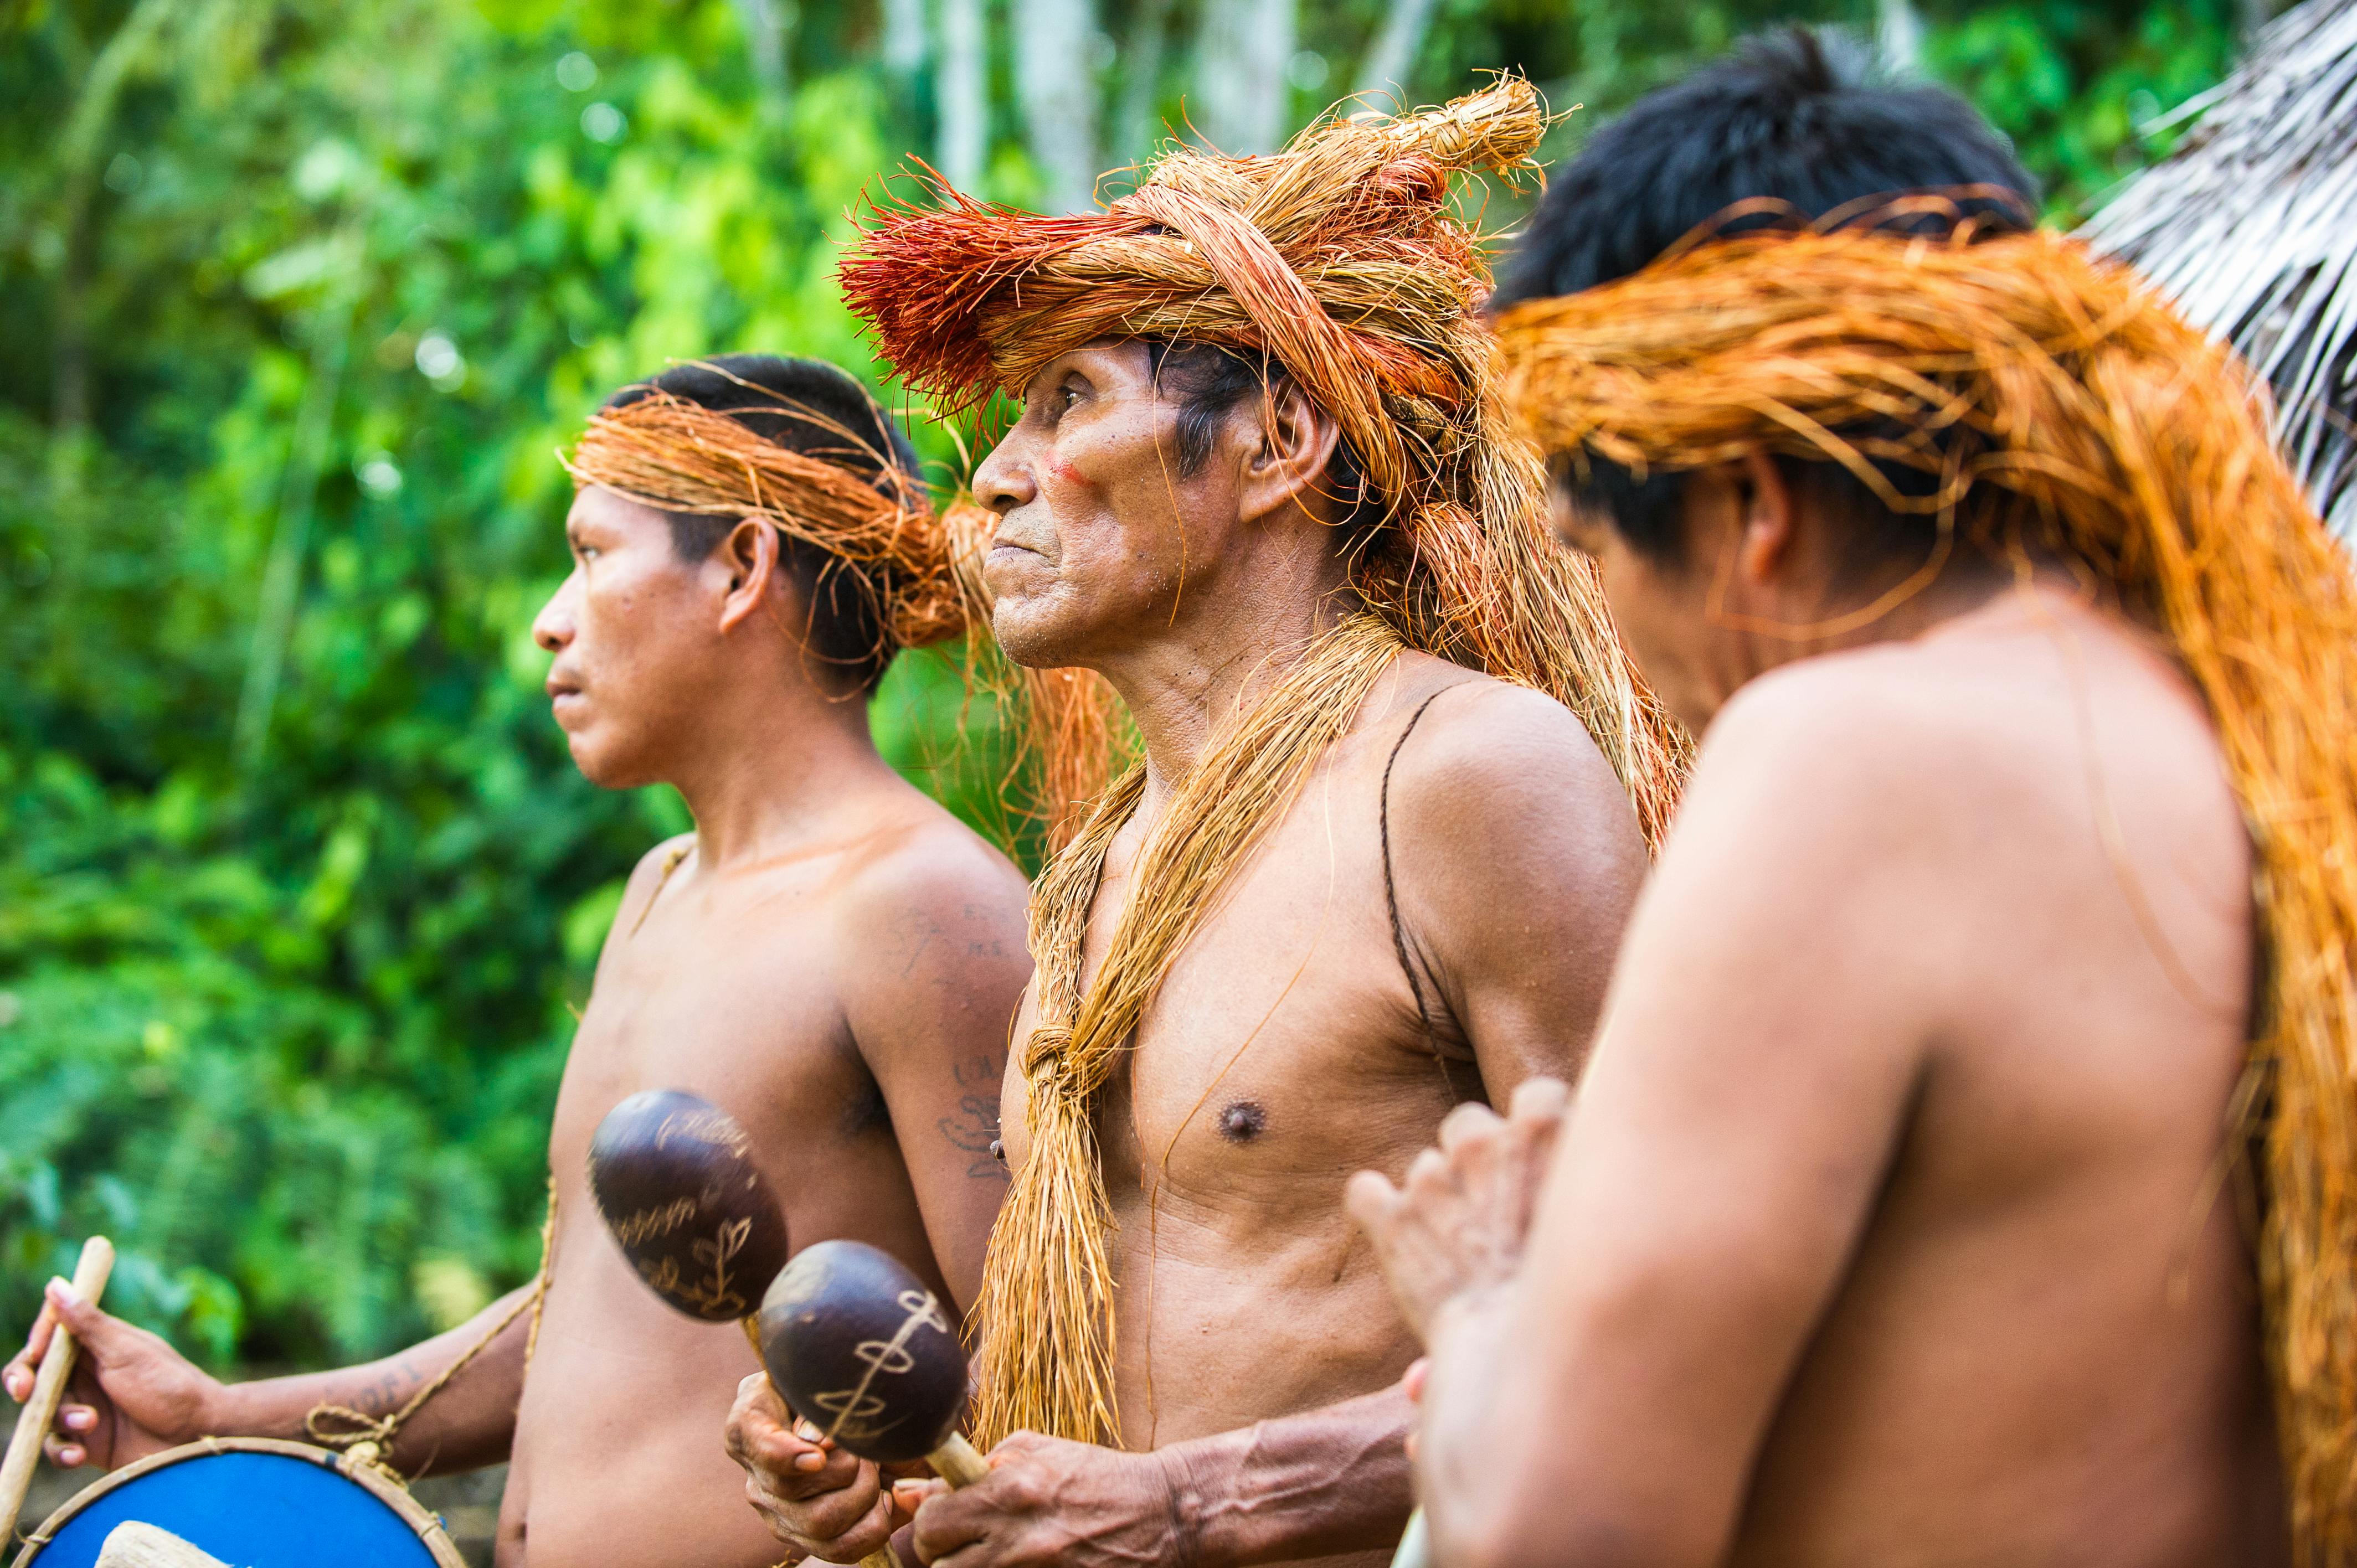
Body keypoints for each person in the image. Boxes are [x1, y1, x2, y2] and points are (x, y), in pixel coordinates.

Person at [1346, 30, 2357, 1568]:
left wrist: (1483, 1298)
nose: (1605, 629)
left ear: (1750, 509)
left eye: (1593, 549)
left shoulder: (1855, 757)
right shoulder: (2261, 722)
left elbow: (1570, 1529)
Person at [725, 80, 1687, 1568]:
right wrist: (908, 1467)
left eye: (1075, 402)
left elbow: (1657, 1326)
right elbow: (1145, 1375)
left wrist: (1185, 1510)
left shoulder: (1462, 777)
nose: (996, 475)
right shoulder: (1100, 869)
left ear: (1278, 442)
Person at [3, 355, 1037, 1568]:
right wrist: (223, 1419)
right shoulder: (661, 890)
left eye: (592, 553)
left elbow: (1049, 1374)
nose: (549, 616)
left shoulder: (926, 909)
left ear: (743, 570)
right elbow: (590, 1326)